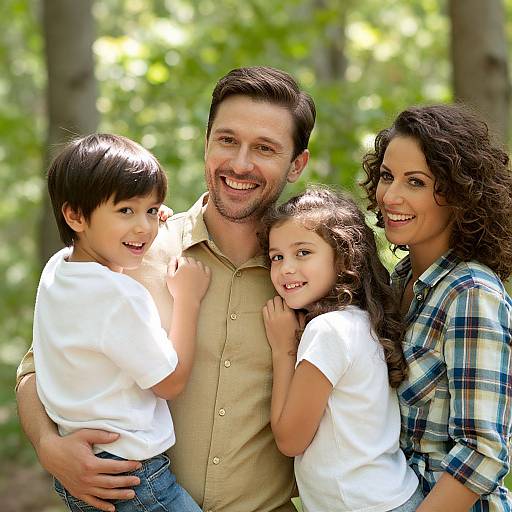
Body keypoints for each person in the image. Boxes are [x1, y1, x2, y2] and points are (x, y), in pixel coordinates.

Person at [16, 66, 315, 512]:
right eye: (227, 140)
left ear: (297, 164)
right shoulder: (126, 252)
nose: (239, 163)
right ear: (207, 140)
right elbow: (36, 369)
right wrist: (48, 446)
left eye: (265, 148)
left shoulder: (311, 276)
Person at [33, 133, 210, 511]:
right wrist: (188, 300)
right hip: (136, 479)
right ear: (75, 215)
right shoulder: (119, 297)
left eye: (152, 210)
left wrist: (137, 218)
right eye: (126, 211)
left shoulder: (59, 269)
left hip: (84, 470)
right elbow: (170, 382)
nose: (145, 228)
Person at [361, 104, 512, 511]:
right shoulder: (399, 281)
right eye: (387, 177)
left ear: (460, 193)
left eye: (416, 182)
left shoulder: (471, 293)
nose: (391, 196)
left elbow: (482, 453)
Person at [260, 185, 421, 512]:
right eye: (277, 257)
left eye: (302, 252)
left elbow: (291, 440)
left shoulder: (328, 330)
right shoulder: (361, 321)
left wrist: (282, 350)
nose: (285, 268)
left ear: (344, 257)